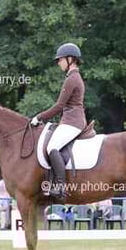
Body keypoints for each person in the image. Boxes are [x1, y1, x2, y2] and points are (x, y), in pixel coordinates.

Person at [30, 42, 87, 200]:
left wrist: (39, 117)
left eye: (60, 60)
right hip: (70, 120)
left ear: (70, 59)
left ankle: (61, 186)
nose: (58, 63)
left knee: (52, 147)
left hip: (73, 122)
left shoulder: (72, 78)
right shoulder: (72, 77)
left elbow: (59, 106)